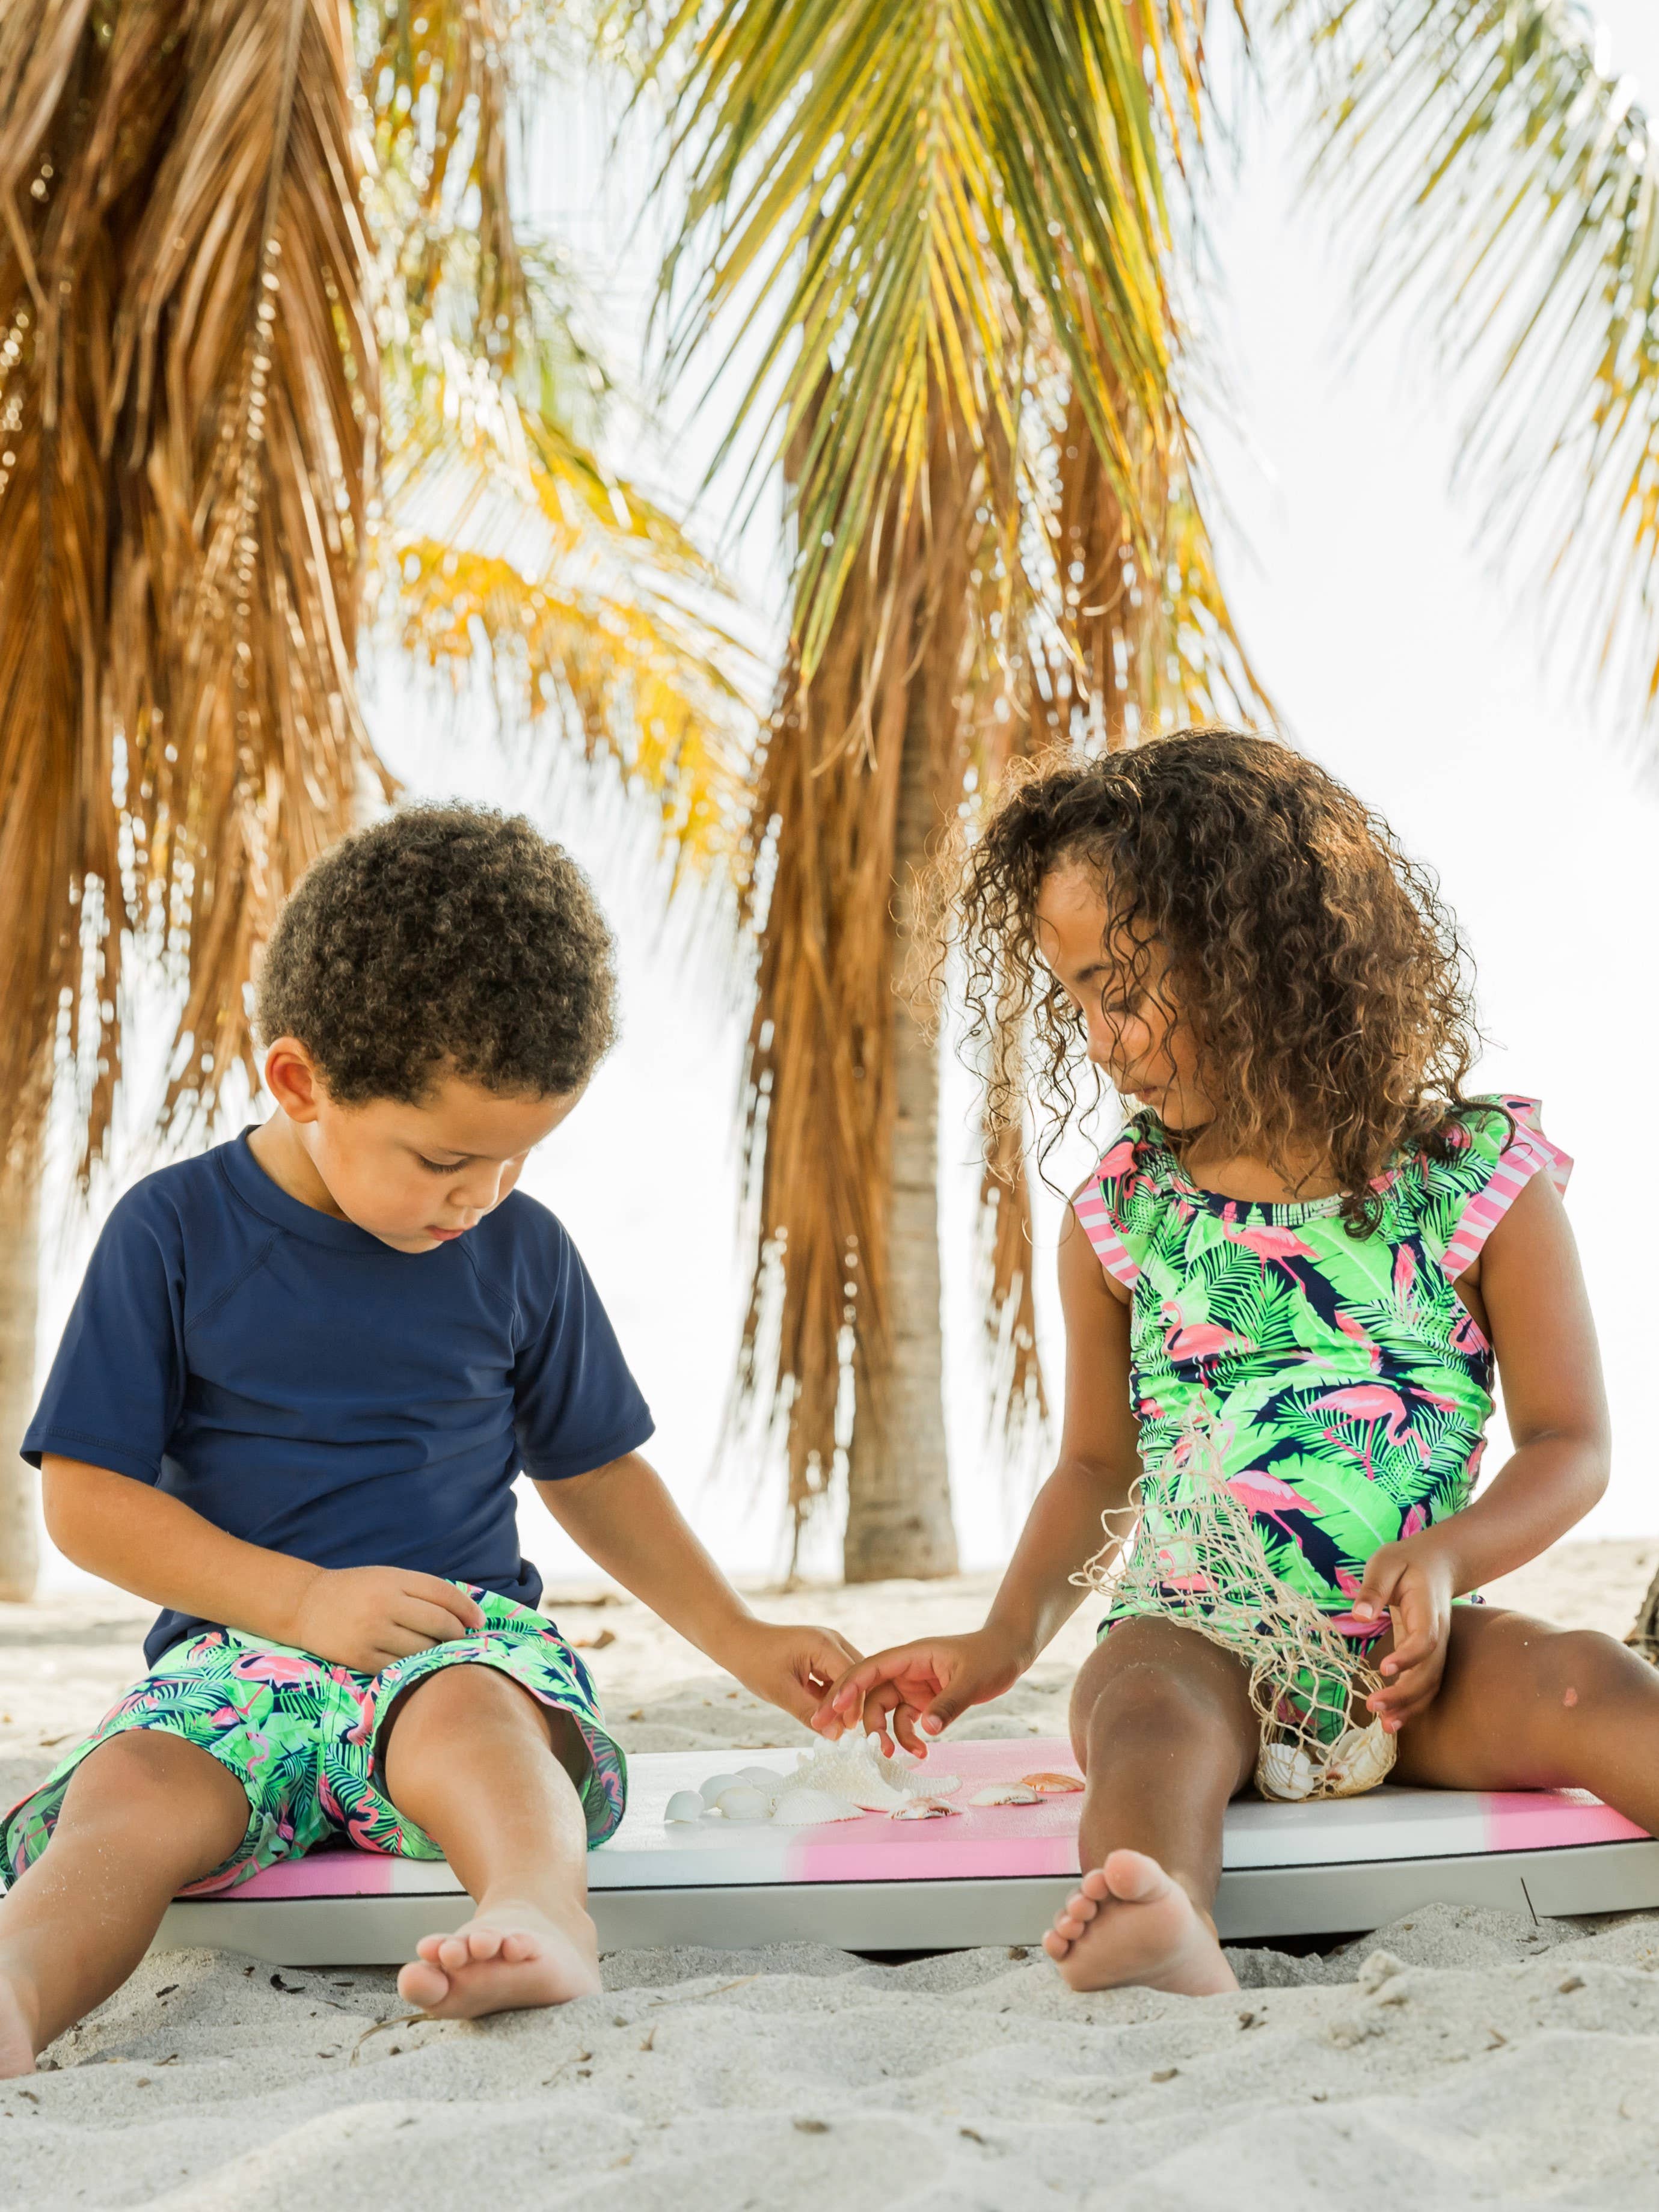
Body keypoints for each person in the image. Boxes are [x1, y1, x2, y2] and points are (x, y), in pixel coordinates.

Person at [0, 806, 860, 2077]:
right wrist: (302, 1600)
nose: (483, 1195)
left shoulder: (522, 1252)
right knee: (125, 1795)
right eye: (448, 1157)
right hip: (238, 1662)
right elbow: (87, 1501)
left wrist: (740, 1637)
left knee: (482, 1728)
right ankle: (17, 2002)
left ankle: (535, 1913)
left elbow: (594, 1470)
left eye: (516, 1159)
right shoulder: (171, 1232)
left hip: (451, 1643)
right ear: (303, 1082)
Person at [814, 729, 1659, 1998]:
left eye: (1120, 987)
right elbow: (1099, 1463)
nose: (1099, 1039)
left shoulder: (1478, 1180)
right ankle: (1158, 1918)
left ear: (1258, 950)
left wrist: (1447, 1559)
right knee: (1141, 1715)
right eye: (1075, 1001)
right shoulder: (1123, 1215)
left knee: (1588, 1679)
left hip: (1411, 1662)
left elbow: (1572, 1444)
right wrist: (1002, 1638)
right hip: (1193, 1634)